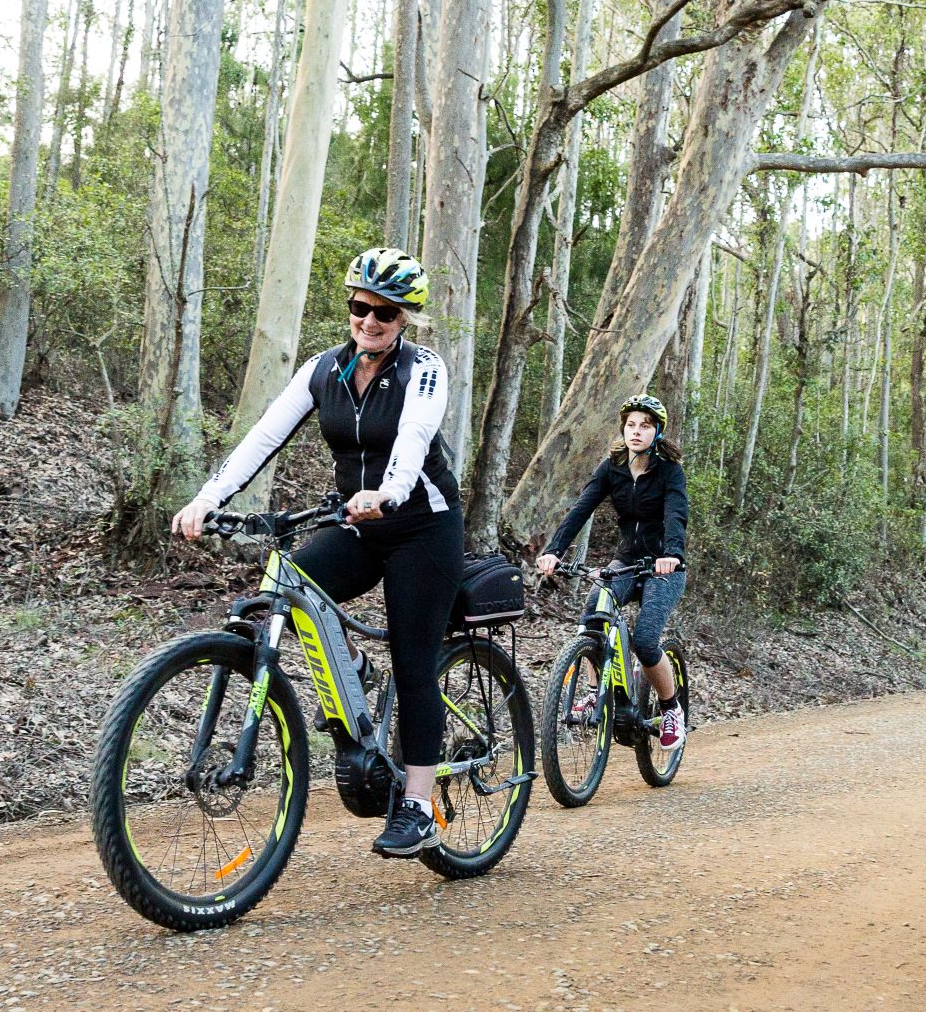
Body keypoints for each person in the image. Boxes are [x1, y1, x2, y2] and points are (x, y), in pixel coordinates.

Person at [171, 248, 461, 858]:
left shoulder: (424, 369)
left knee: (414, 663)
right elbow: (265, 435)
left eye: (385, 311)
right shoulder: (323, 369)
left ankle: (417, 805)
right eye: (361, 307)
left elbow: (413, 440)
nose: (370, 321)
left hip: (420, 527)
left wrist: (388, 491)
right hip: (357, 523)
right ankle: (352, 669)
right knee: (291, 580)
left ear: (405, 316)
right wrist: (208, 497)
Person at [533, 394, 690, 748]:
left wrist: (672, 554)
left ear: (657, 432)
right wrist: (554, 551)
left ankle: (670, 709)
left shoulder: (669, 472)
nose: (636, 431)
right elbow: (580, 509)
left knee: (646, 640)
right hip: (625, 562)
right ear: (623, 428)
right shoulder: (612, 467)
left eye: (645, 426)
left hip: (663, 566)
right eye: (631, 425)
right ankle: (594, 691)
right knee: (593, 615)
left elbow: (676, 516)